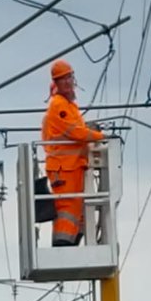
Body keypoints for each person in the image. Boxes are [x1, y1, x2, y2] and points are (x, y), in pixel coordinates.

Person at [41, 60, 104, 247]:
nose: (68, 82)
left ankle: (71, 242)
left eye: (69, 77)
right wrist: (100, 136)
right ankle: (63, 245)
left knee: (76, 208)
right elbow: (74, 132)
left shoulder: (69, 106)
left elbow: (78, 130)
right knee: (67, 208)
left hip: (73, 166)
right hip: (64, 168)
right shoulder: (59, 106)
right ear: (56, 83)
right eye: (63, 79)